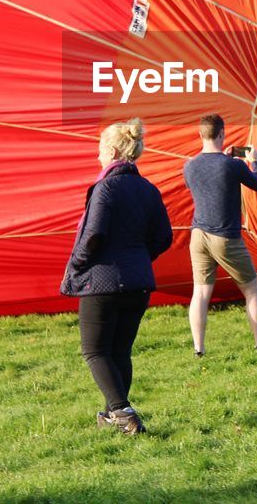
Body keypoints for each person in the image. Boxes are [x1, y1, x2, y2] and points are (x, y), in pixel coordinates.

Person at [61, 118, 172, 435]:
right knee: (120, 350)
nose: (98, 156)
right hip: (139, 282)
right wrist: (140, 258)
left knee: (95, 350)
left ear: (110, 150)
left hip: (103, 280)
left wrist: (79, 263)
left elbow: (93, 233)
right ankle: (114, 413)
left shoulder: (106, 187)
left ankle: (124, 413)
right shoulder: (148, 189)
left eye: (99, 149)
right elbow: (164, 236)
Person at [184, 113, 257, 356]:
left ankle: (198, 348)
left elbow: (205, 183)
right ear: (222, 134)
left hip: (198, 235)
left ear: (200, 135)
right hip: (225, 237)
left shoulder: (189, 166)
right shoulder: (232, 165)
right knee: (252, 289)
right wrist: (253, 161)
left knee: (200, 292)